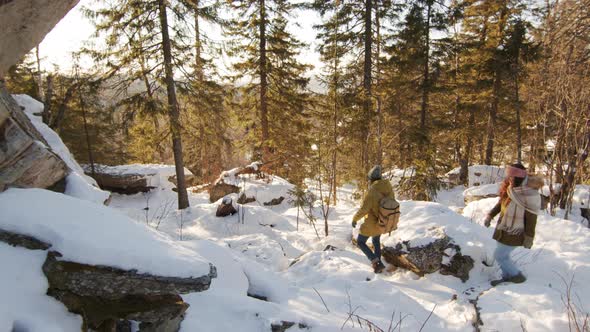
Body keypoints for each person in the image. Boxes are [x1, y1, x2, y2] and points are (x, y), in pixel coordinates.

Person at [483, 163, 543, 286]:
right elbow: (501, 203)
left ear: (519, 177)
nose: (509, 178)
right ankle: (507, 276)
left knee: (499, 255)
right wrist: (490, 215)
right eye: (509, 176)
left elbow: (531, 218)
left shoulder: (530, 194)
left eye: (512, 176)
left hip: (516, 231)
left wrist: (529, 237)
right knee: (502, 254)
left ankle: (517, 276)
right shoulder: (510, 188)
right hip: (503, 228)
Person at [352, 165, 395, 273]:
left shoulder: (372, 191)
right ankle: (378, 264)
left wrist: (355, 219)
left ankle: (375, 261)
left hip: (372, 222)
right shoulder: (388, 187)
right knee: (376, 241)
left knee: (360, 242)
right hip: (383, 221)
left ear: (371, 179)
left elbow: (364, 209)